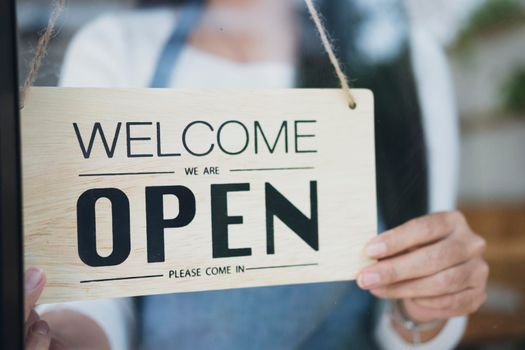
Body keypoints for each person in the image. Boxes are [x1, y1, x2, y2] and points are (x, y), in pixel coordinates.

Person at [23, 0, 489, 349]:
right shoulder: (117, 47)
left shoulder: (400, 53)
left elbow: (413, 298)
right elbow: (97, 294)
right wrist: (58, 337)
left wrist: (428, 304)